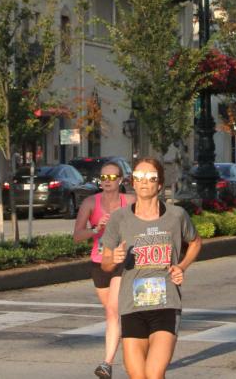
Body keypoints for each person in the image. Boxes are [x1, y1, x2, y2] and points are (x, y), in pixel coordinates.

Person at [101, 157, 200, 379]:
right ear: (133, 183)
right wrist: (114, 258)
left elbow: (195, 242)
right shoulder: (120, 218)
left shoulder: (176, 216)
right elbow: (105, 263)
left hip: (166, 305)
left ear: (159, 183)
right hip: (132, 307)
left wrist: (182, 266)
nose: (144, 182)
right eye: (139, 178)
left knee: (154, 374)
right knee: (138, 376)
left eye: (151, 178)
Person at [75, 162, 129, 379]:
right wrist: (97, 229)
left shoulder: (130, 202)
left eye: (112, 177)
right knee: (115, 314)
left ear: (120, 180)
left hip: (122, 261)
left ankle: (106, 364)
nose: (107, 181)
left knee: (112, 312)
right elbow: (77, 236)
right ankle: (133, 345)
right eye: (103, 178)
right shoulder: (90, 203)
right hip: (99, 262)